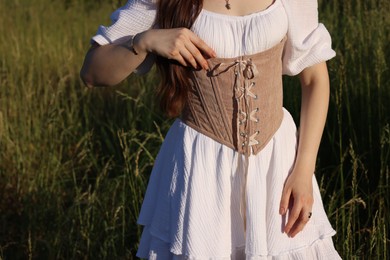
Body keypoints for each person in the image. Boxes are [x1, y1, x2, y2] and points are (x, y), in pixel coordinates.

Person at [80, 0, 342, 258]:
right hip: (201, 168)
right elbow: (92, 73)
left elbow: (315, 78)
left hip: (276, 164)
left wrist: (304, 171)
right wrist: (144, 41)